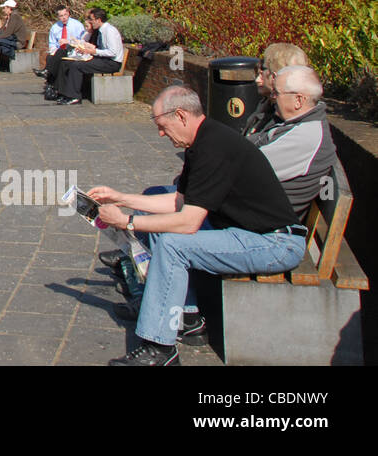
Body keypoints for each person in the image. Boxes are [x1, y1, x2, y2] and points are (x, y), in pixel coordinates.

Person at [89, 85, 306, 366]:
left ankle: (160, 348)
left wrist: (127, 221)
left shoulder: (214, 148)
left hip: (275, 243)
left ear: (180, 115)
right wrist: (122, 198)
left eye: (163, 127)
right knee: (160, 223)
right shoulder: (202, 142)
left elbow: (188, 223)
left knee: (172, 243)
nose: (161, 134)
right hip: (250, 234)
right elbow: (180, 202)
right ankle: (186, 318)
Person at [247, 65, 338, 221]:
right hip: (252, 217)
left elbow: (245, 168)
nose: (273, 97)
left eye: (277, 93)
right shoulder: (294, 123)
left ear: (298, 100)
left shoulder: (305, 136)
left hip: (265, 231)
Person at [51, 7, 123, 104]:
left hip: (112, 63)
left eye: (92, 20)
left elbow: (112, 52)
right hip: (103, 60)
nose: (90, 22)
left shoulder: (109, 31)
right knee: (67, 62)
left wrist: (93, 51)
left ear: (98, 20)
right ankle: (62, 93)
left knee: (76, 66)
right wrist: (86, 49)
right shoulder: (101, 30)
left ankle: (74, 96)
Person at [243, 42, 310, 136]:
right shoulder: (268, 104)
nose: (259, 76)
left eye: (264, 68)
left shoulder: (286, 115)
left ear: (276, 75)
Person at [38, 5, 89, 100]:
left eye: (65, 15)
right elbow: (52, 43)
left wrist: (68, 41)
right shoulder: (55, 27)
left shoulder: (77, 25)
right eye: (61, 16)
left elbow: (82, 41)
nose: (64, 17)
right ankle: (52, 86)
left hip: (74, 51)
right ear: (58, 17)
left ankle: (48, 76)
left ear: (69, 13)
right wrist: (53, 51)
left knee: (60, 57)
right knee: (51, 57)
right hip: (59, 51)